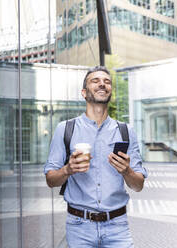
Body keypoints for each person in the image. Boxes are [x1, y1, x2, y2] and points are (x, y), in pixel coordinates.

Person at [44, 66, 147, 247]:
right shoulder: (66, 129)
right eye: (95, 80)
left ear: (110, 92)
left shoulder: (125, 131)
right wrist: (68, 169)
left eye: (107, 82)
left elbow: (138, 185)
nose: (102, 84)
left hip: (118, 227)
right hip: (79, 227)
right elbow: (51, 180)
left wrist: (127, 171)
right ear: (84, 93)